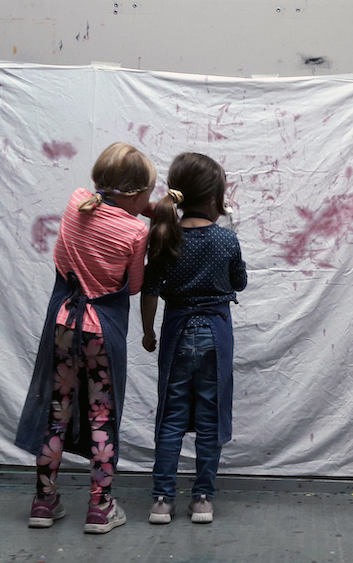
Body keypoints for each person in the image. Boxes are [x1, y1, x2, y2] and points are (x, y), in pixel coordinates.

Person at [15, 142, 155, 534]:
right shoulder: (136, 230)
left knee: (57, 412)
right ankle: (100, 506)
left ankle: (43, 502)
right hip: (100, 333)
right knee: (101, 415)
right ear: (137, 195)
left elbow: (61, 259)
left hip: (63, 323)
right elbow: (131, 288)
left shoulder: (77, 202)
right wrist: (143, 214)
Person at [141, 152, 247, 525]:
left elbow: (150, 289)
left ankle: (161, 500)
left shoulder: (165, 237)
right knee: (209, 419)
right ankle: (202, 498)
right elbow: (240, 283)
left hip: (176, 334)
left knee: (170, 418)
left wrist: (148, 332)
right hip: (216, 337)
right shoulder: (225, 241)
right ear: (217, 199)